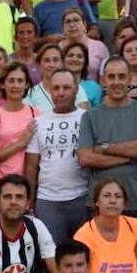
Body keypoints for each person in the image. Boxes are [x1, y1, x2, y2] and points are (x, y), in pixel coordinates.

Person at [78, 56, 137, 244]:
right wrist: (129, 156)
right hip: (101, 203)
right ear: (104, 80)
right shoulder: (90, 116)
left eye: (121, 76)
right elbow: (85, 158)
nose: (116, 82)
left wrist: (104, 148)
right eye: (111, 77)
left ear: (130, 79)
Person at [25, 69, 92, 246]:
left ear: (76, 90)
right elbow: (31, 166)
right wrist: (29, 204)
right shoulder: (39, 122)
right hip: (48, 201)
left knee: (83, 254)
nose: (61, 93)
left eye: (66, 88)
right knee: (52, 256)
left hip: (82, 198)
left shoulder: (88, 118)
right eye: (56, 88)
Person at [0, 61, 38, 181]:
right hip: (2, 184)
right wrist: (20, 143)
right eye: (11, 81)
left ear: (27, 84)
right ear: (2, 84)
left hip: (28, 184)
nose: (16, 85)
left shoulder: (36, 114)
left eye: (20, 81)